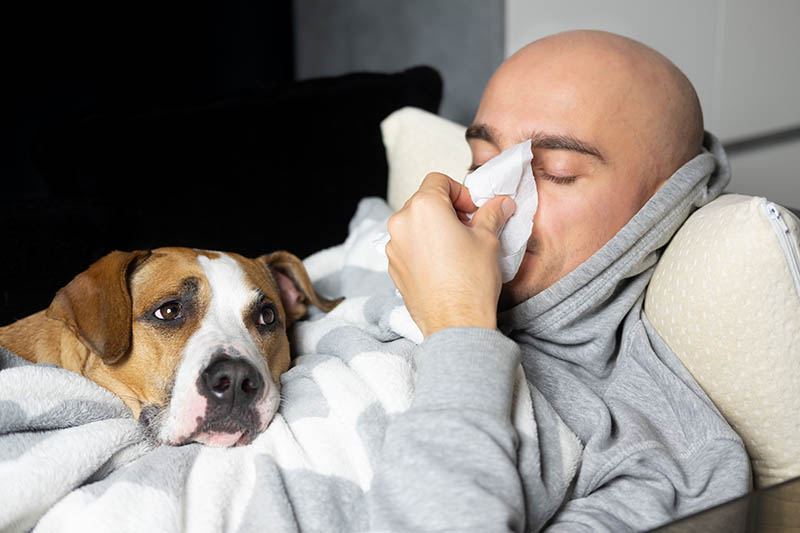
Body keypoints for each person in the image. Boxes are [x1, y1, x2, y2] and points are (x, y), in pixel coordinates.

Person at [368, 30, 752, 531]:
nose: (494, 197)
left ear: (665, 204)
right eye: (482, 162)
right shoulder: (377, 260)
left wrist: (458, 323)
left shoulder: (662, 467)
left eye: (556, 171)